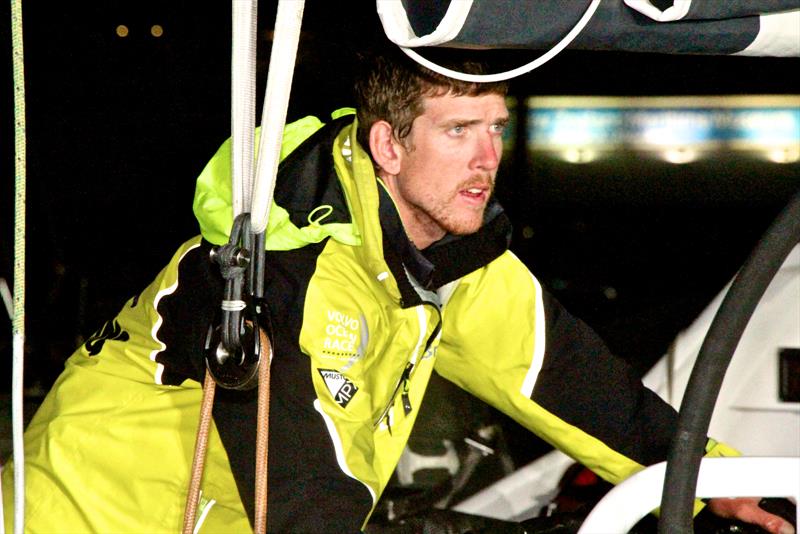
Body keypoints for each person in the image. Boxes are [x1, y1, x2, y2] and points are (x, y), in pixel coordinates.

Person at [1, 49, 794, 534]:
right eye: (458, 131)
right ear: (388, 144)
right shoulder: (288, 267)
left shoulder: (454, 260)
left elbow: (577, 387)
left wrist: (714, 481)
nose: (487, 157)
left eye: (497, 127)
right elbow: (307, 496)